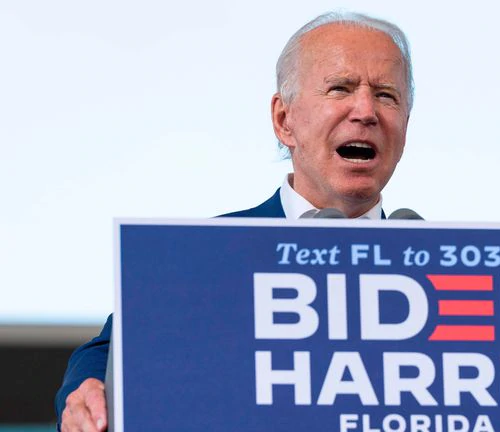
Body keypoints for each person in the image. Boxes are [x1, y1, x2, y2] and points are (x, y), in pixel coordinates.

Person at [55, 11, 414, 431]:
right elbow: (109, 354)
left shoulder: (448, 269)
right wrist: (89, 391)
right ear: (284, 120)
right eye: (341, 88)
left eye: (387, 95)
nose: (366, 111)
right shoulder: (204, 256)